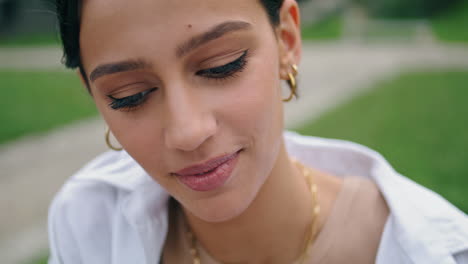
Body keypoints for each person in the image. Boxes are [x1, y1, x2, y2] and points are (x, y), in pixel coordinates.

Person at [48, 0, 468, 263]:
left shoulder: (431, 249)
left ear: (286, 40)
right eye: (129, 96)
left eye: (221, 66)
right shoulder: (88, 224)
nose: (188, 131)